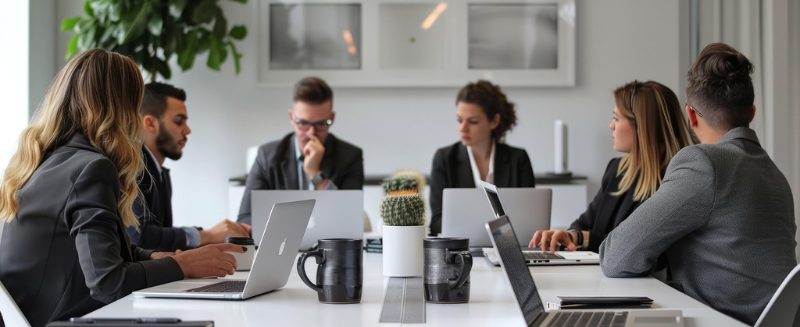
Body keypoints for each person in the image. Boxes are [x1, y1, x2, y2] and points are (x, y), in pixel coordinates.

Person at [0, 49, 244, 327]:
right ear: (123, 108)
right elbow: (107, 283)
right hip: (60, 319)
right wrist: (184, 265)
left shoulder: (44, 160)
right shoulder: (91, 168)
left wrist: (154, 256)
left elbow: (100, 251)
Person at [599, 43, 797, 325]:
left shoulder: (703, 163)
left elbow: (616, 257)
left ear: (691, 115)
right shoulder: (775, 175)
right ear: (751, 113)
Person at [530, 80, 692, 253]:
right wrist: (567, 235)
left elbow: (634, 247)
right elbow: (582, 225)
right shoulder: (617, 169)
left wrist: (578, 238)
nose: (611, 125)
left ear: (641, 126)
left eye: (616, 118)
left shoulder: (675, 179)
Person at [127, 82, 250, 252]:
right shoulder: (133, 169)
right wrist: (206, 235)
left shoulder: (159, 172)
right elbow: (139, 237)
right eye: (179, 122)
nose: (187, 130)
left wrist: (214, 237)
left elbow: (159, 242)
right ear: (150, 124)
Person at [237, 77, 364, 225]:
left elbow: (348, 219)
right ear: (292, 117)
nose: (311, 132)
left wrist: (315, 174)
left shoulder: (350, 156)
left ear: (332, 118)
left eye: (321, 124)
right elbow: (246, 218)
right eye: (303, 123)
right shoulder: (267, 156)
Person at [429, 80, 535, 236]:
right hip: (463, 249)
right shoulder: (445, 159)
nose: (462, 128)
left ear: (494, 121)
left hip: (508, 247)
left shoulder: (518, 159)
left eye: (473, 121)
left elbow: (528, 217)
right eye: (459, 120)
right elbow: (437, 222)